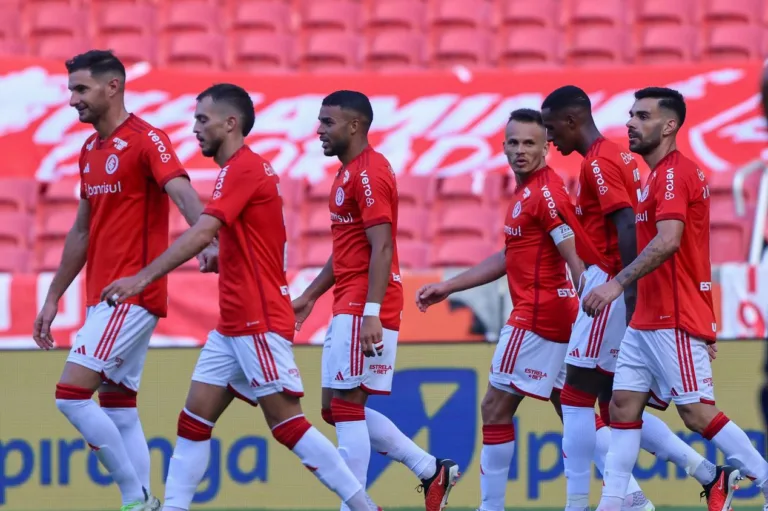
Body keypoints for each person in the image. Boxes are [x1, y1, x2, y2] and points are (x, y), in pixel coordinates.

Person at [100, 83, 378, 511]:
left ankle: (365, 508)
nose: (195, 128)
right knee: (194, 420)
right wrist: (223, 255)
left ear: (230, 123)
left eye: (202, 119)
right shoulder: (238, 171)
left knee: (287, 425)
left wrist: (141, 278)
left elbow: (203, 232)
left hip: (257, 320)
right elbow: (248, 239)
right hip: (232, 324)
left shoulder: (244, 168)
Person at [416, 109, 653, 511]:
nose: (520, 150)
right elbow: (511, 256)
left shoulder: (545, 193)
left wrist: (587, 290)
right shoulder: (528, 192)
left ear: (546, 147)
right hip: (556, 315)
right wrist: (449, 286)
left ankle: (491, 507)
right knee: (574, 409)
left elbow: (570, 247)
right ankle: (631, 495)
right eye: (514, 142)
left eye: (530, 143)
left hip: (535, 317)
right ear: (503, 146)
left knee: (495, 407)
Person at [32, 50, 211, 511]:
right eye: (71, 89)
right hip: (102, 296)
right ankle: (143, 502)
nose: (73, 99)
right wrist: (53, 297)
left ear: (112, 87)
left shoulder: (147, 140)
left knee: (71, 396)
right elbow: (81, 232)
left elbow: (182, 191)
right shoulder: (89, 151)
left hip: (131, 294)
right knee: (118, 406)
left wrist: (206, 237)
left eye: (81, 89)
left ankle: (136, 499)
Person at [541, 85, 730, 511]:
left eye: (551, 130)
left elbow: (628, 226)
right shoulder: (616, 156)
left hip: (611, 284)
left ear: (571, 121)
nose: (550, 140)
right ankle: (700, 476)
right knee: (617, 406)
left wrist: (627, 293)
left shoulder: (599, 162)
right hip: (616, 284)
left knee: (572, 395)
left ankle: (583, 503)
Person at [583, 87, 768, 511]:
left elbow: (670, 242)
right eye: (631, 115)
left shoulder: (673, 175)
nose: (631, 123)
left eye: (642, 116)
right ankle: (614, 503)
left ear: (669, 126)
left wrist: (616, 284)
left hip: (673, 315)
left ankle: (765, 479)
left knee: (697, 413)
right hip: (648, 319)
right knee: (621, 407)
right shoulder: (654, 178)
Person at [290, 90, 459, 511]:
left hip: (364, 303)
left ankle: (357, 506)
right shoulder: (348, 173)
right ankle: (429, 468)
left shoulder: (369, 173)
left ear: (354, 126)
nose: (319, 129)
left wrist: (371, 312)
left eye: (327, 122)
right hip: (350, 301)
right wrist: (310, 295)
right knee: (334, 408)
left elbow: (382, 246)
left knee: (347, 407)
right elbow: (350, 247)